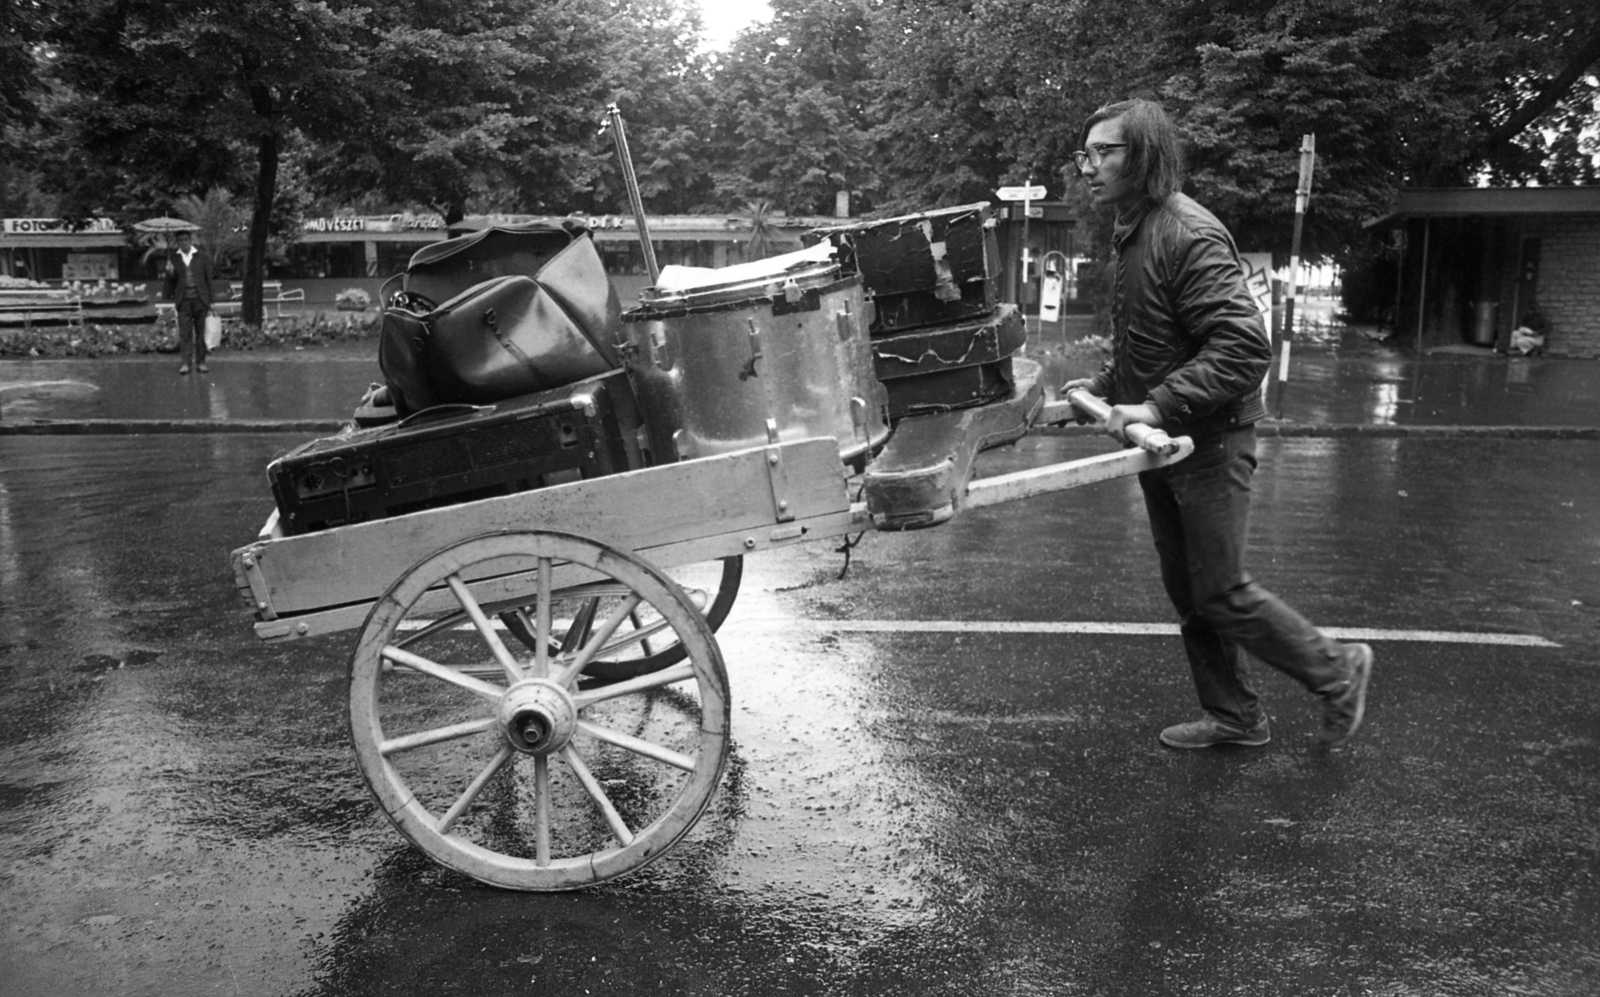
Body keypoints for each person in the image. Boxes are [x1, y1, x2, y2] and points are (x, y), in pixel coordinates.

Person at [1063, 98, 1373, 749]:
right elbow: (1151, 341)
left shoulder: (1185, 232)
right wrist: (1101, 389)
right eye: (1085, 153)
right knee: (1190, 591)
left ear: (1142, 153)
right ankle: (1235, 716)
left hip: (1208, 440)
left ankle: (1338, 669)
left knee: (1223, 591)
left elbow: (1242, 346)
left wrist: (1153, 406)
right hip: (1165, 443)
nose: (1087, 166)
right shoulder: (1133, 230)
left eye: (1104, 152)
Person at [162, 229, 215, 374]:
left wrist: (212, 301)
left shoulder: (202, 257)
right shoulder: (173, 258)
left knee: (200, 333)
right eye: (180, 240)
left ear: (190, 240)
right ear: (177, 242)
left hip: (200, 300)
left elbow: (208, 279)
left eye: (186, 239)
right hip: (183, 301)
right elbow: (171, 283)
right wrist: (170, 272)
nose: (183, 242)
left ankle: (201, 362)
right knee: (185, 334)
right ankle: (185, 363)